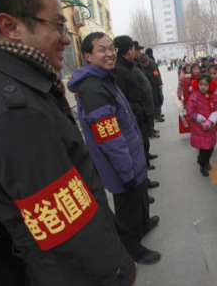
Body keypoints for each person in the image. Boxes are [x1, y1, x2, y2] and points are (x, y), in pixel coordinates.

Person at [0, 0, 135, 285]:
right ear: (10, 26)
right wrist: (117, 271)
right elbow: (66, 223)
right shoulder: (15, 111)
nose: (66, 38)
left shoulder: (19, 85)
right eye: (58, 25)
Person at [67, 32, 161, 265]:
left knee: (139, 198)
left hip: (131, 155)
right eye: (102, 50)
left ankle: (143, 225)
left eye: (111, 48)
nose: (109, 53)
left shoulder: (105, 78)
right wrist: (126, 170)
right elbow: (109, 139)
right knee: (128, 208)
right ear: (88, 56)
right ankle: (132, 250)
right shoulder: (94, 89)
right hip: (122, 163)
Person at [112, 36, 160, 191]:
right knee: (136, 150)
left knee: (142, 146)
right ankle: (142, 183)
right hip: (133, 116)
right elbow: (124, 97)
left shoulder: (130, 66)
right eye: (134, 48)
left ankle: (143, 179)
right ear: (128, 50)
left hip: (140, 112)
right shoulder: (119, 70)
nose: (136, 51)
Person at [187, 74, 217, 177]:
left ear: (210, 85)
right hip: (199, 128)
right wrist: (201, 120)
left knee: (210, 147)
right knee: (203, 148)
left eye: (205, 85)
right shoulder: (193, 97)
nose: (203, 87)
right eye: (201, 84)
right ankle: (203, 164)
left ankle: (205, 160)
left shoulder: (214, 96)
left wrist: (211, 120)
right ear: (197, 84)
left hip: (211, 127)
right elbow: (190, 112)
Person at [145, 47, 165, 123]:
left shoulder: (148, 60)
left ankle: (157, 113)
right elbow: (155, 73)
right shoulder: (151, 61)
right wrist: (159, 83)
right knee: (159, 99)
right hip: (155, 84)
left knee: (156, 99)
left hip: (152, 84)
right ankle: (157, 115)